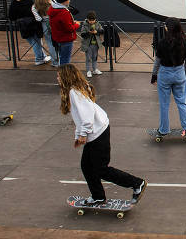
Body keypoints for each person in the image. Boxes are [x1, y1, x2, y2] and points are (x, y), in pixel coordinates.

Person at [57, 64, 147, 206]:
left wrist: (82, 134)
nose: (57, 78)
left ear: (66, 77)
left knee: (100, 169)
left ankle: (137, 183)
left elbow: (86, 116)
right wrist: (78, 135)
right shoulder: (76, 89)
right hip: (98, 130)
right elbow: (79, 117)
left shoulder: (74, 92)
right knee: (86, 166)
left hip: (98, 133)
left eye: (59, 76)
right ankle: (98, 196)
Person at [151, 18, 186, 138]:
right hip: (179, 73)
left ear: (168, 28)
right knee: (182, 102)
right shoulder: (184, 41)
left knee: (164, 104)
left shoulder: (162, 42)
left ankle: (164, 130)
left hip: (165, 74)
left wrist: (154, 76)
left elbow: (157, 62)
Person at [9, 0, 50, 66]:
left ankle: (43, 56)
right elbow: (35, 12)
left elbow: (11, 17)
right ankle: (39, 59)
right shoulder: (29, 2)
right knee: (36, 42)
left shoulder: (13, 4)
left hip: (23, 26)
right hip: (34, 24)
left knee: (34, 42)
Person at [49, 0, 81, 65]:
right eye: (68, 0)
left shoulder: (53, 9)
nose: (69, 1)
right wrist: (77, 24)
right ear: (64, 1)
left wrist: (72, 23)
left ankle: (61, 73)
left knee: (61, 57)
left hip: (57, 37)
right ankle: (64, 75)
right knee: (66, 59)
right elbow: (69, 28)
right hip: (66, 39)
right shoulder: (64, 12)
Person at [32, 0, 58, 66]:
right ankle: (60, 60)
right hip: (54, 23)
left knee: (50, 43)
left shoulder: (34, 6)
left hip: (44, 25)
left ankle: (55, 62)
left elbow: (38, 19)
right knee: (58, 42)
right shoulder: (52, 2)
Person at [80, 11, 103, 78]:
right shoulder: (85, 25)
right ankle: (88, 71)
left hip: (96, 44)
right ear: (87, 19)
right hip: (88, 45)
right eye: (90, 20)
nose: (91, 22)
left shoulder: (98, 24)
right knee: (88, 58)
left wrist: (96, 32)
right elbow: (82, 34)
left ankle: (95, 69)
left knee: (95, 57)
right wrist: (89, 33)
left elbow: (102, 31)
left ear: (95, 19)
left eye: (93, 20)